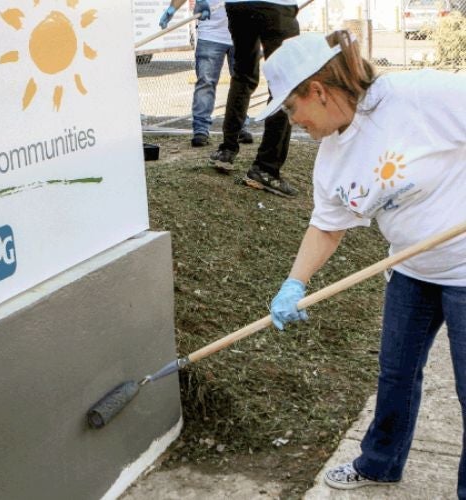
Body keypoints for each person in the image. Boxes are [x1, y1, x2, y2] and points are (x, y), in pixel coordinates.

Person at [260, 31, 466, 497]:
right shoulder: (332, 157)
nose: (295, 122)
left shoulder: (419, 97)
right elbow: (328, 227)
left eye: (292, 109)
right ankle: (378, 463)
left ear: (317, 91)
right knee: (395, 374)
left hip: (464, 271)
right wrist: (294, 283)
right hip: (412, 272)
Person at [208, 0, 299, 198]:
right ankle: (266, 167)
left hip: (239, 6)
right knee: (284, 84)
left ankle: (227, 149)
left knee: (243, 75)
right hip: (276, 6)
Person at [159, 0, 253, 147]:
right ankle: (201, 130)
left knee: (242, 84)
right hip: (210, 34)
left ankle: (240, 127)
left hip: (243, 33)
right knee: (205, 83)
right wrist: (172, 9)